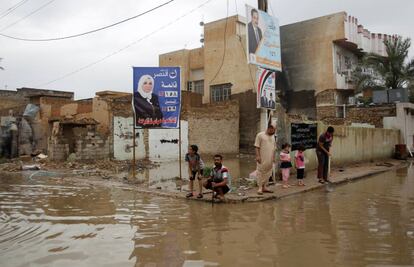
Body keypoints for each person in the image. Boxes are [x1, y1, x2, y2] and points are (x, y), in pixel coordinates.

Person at [255, 121, 276, 195]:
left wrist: (273, 157)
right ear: (269, 128)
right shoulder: (260, 135)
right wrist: (258, 156)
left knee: (268, 172)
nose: (274, 132)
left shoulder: (273, 137)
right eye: (273, 130)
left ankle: (264, 187)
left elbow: (274, 148)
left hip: (269, 159)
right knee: (260, 172)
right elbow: (257, 146)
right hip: (262, 157)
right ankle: (260, 188)